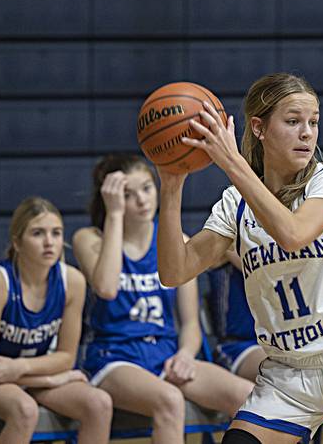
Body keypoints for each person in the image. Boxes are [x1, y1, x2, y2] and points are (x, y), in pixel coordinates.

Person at [156, 72, 323, 444]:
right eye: (294, 121)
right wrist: (170, 188)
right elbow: (174, 271)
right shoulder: (236, 204)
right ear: (259, 128)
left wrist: (232, 161)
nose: (307, 133)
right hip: (289, 370)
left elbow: (293, 235)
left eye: (313, 122)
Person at [72, 154, 254, 444]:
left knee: (249, 399)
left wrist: (185, 354)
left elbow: (191, 323)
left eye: (146, 188)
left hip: (164, 354)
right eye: (128, 195)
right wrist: (115, 215)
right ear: (110, 198)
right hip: (114, 358)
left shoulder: (176, 241)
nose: (142, 200)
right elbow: (106, 287)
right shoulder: (90, 238)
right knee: (169, 400)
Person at [0, 197, 113, 443]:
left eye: (56, 233)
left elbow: (67, 357)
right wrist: (48, 377)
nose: (49, 242)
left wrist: (23, 369)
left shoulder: (73, 282)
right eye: (38, 233)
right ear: (17, 242)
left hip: (26, 371)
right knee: (24, 410)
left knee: (99, 403)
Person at [208, 249, 265, 381]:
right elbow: (267, 273)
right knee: (290, 370)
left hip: (289, 339)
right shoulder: (228, 237)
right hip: (238, 346)